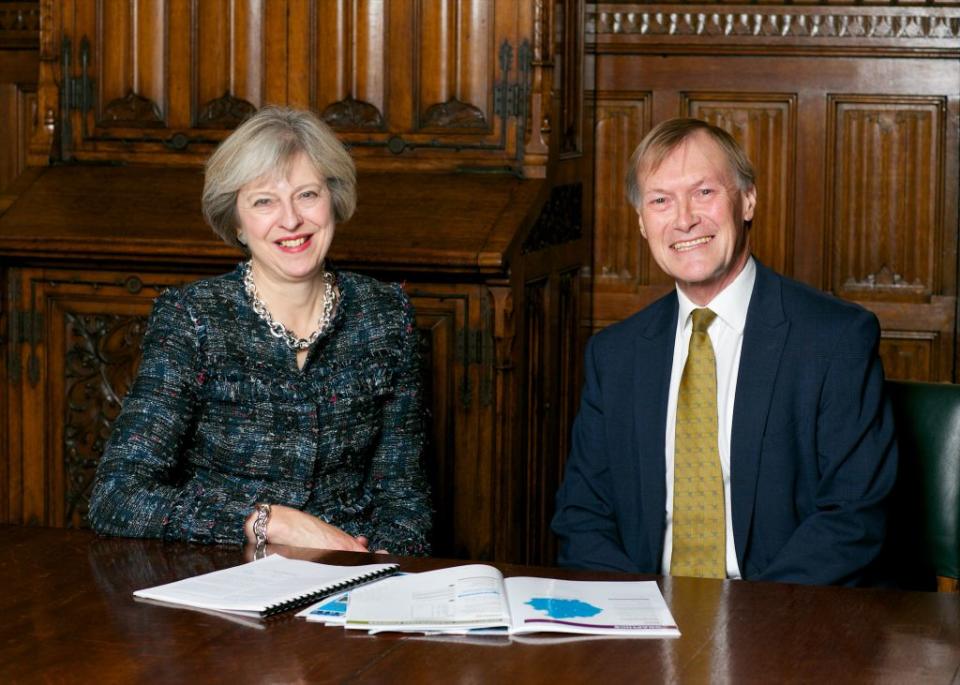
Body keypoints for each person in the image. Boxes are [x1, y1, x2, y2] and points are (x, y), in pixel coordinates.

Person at [552, 118, 897, 585]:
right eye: (660, 201)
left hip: (784, 622)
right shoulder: (614, 356)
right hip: (644, 627)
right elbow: (582, 517)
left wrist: (747, 626)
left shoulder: (834, 339)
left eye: (704, 193)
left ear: (748, 200)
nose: (684, 219)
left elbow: (853, 517)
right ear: (641, 222)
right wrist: (635, 619)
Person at [89, 106, 431, 555]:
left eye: (307, 195)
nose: (290, 221)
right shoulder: (194, 318)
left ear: (334, 199)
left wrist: (379, 563)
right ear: (237, 222)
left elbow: (404, 499)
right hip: (220, 580)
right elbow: (116, 496)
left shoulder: (385, 314)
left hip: (350, 575)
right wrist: (264, 521)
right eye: (264, 201)